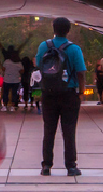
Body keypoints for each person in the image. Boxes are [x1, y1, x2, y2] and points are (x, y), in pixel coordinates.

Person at [36, 17, 87, 176]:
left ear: (53, 28)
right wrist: (81, 92)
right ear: (68, 30)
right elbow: (81, 72)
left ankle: (46, 166)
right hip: (69, 94)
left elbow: (38, 65)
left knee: (49, 130)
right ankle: (71, 166)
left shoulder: (44, 46)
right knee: (69, 130)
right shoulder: (74, 49)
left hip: (48, 94)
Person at [1, 48, 22, 112]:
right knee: (14, 93)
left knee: (5, 93)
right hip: (15, 80)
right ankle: (13, 106)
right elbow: (22, 71)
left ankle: (5, 106)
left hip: (7, 80)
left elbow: (3, 69)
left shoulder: (6, 62)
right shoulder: (19, 63)